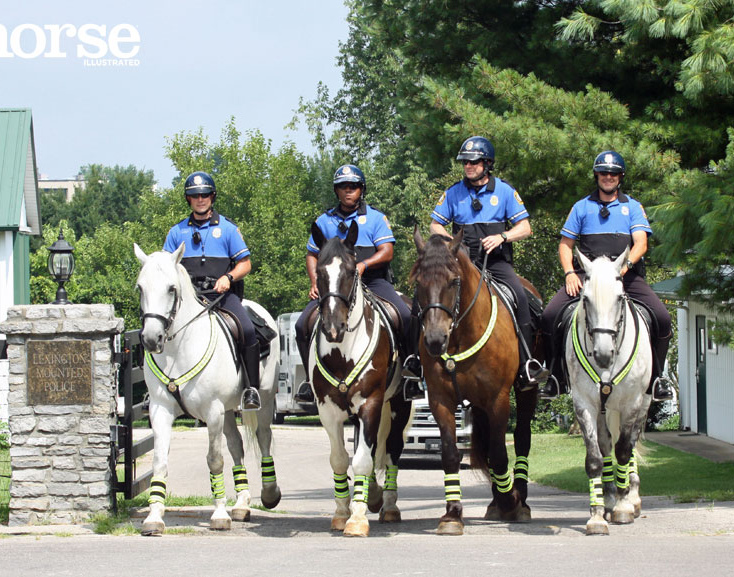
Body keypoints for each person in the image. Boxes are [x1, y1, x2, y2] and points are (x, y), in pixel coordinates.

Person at [540, 151, 674, 401]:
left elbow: (641, 244)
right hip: (586, 277)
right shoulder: (581, 207)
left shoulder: (632, 207)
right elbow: (565, 245)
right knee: (549, 316)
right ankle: (555, 377)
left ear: (620, 176)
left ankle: (657, 380)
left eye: (613, 173)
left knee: (663, 318)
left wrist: (622, 269)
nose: (608, 177)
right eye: (603, 173)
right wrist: (569, 272)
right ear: (596, 176)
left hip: (625, 276)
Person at [428, 135, 551, 393]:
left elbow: (525, 227)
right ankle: (422, 363)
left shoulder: (505, 191)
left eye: (473, 162)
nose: (468, 167)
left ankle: (528, 363)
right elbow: (434, 224)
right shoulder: (453, 193)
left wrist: (502, 236)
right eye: (465, 163)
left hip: (496, 262)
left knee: (521, 297)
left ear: (487, 163)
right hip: (462, 264)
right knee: (431, 297)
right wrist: (452, 243)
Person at [294, 164, 423, 400]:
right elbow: (312, 255)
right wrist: (314, 282)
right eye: (343, 187)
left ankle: (411, 373)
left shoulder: (374, 218)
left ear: (361, 189)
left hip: (373, 282)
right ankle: (308, 382)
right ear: (337, 191)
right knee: (302, 324)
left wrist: (364, 265)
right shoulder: (324, 220)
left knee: (405, 316)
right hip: (335, 288)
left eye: (352, 186)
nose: (348, 191)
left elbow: (387, 251)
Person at [163, 171, 263, 410]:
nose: (200, 199)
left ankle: (251, 389)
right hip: (189, 298)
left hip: (221, 295)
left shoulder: (228, 229)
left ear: (212, 197)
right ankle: (157, 389)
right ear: (188, 199)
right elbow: (166, 267)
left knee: (247, 330)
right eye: (195, 195)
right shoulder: (176, 232)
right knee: (159, 327)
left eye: (205, 195)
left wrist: (228, 278)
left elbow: (245, 264)